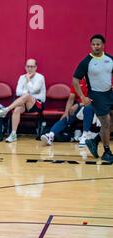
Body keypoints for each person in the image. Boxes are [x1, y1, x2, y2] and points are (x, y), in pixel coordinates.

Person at [73, 34, 113, 163]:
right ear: (91, 46)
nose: (95, 46)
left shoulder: (110, 59)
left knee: (110, 123)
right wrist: (82, 96)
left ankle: (94, 141)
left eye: (98, 44)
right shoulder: (86, 62)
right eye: (93, 44)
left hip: (109, 93)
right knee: (106, 122)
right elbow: (75, 80)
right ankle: (107, 152)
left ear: (103, 45)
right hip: (96, 95)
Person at [0, 59, 46, 142]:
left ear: (36, 67)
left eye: (32, 66)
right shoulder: (22, 77)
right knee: (17, 109)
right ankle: (13, 134)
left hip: (38, 104)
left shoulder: (40, 77)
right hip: (24, 103)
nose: (30, 68)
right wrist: (27, 93)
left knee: (27, 95)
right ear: (25, 67)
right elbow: (18, 92)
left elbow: (32, 90)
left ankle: (6, 110)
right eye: (28, 66)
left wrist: (28, 79)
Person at [40, 78, 97, 147]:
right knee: (67, 116)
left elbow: (96, 99)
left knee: (87, 108)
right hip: (80, 106)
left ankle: (84, 136)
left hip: (94, 106)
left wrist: (78, 104)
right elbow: (71, 98)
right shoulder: (77, 81)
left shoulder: (96, 80)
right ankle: (51, 135)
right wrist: (66, 112)